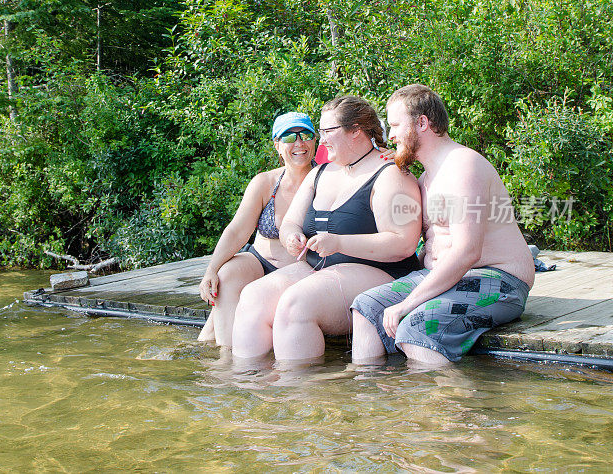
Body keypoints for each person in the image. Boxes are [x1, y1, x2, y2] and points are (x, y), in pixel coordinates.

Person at [351, 84, 535, 365]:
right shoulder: (425, 178)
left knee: (415, 326)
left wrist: (407, 304)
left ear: (422, 123)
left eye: (396, 125)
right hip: (446, 278)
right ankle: (373, 401)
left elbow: (467, 251)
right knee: (367, 306)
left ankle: (450, 405)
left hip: (498, 280)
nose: (391, 136)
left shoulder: (463, 166)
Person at [230, 96, 422, 361]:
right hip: (316, 267)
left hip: (382, 273)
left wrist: (340, 243)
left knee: (296, 303)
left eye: (326, 132)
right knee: (253, 296)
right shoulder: (320, 173)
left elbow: (403, 243)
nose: (320, 141)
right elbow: (290, 223)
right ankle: (251, 388)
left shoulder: (391, 174)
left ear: (355, 131)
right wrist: (291, 237)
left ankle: (302, 394)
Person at [198, 112, 317, 347]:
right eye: (289, 137)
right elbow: (237, 230)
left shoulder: (328, 178)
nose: (299, 143)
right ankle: (227, 353)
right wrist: (211, 270)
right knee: (226, 275)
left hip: (302, 269)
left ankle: (231, 354)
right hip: (259, 261)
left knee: (209, 332)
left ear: (315, 140)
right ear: (277, 145)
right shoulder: (265, 182)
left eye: (305, 135)